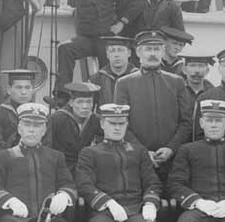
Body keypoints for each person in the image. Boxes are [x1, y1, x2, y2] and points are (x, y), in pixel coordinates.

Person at [52, 0, 144, 95]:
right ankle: (61, 95)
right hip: (85, 40)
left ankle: (108, 100)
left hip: (106, 41)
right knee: (65, 48)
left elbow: (137, 3)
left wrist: (122, 22)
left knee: (107, 73)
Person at [113, 31, 193, 183]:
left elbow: (186, 122)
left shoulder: (177, 82)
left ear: (163, 51)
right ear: (138, 52)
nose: (152, 54)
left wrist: (171, 148)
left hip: (172, 160)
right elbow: (120, 122)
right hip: (137, 159)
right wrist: (142, 152)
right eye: (148, 49)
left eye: (156, 49)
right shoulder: (124, 83)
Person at [47, 82, 102, 174]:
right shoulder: (56, 119)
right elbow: (47, 147)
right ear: (71, 102)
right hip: (61, 169)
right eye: (80, 102)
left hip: (85, 168)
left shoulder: (94, 120)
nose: (85, 106)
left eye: (88, 102)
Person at [0, 69, 37, 158]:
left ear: (33, 90)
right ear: (9, 90)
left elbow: (46, 145)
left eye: (27, 87)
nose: (23, 92)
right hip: (6, 165)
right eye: (19, 87)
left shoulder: (40, 115)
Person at [88, 36, 137, 106]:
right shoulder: (96, 79)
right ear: (107, 55)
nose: (116, 55)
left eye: (120, 50)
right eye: (112, 51)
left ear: (129, 53)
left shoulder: (138, 77)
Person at [180, 52, 216, 117]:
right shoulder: (178, 91)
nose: (197, 70)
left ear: (207, 70)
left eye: (201, 66)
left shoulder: (214, 94)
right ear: (184, 70)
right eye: (192, 65)